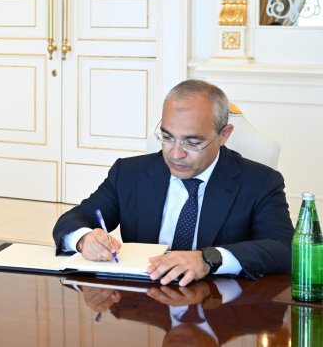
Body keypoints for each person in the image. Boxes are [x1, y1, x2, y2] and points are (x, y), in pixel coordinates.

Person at [52, 79, 293, 284]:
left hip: (218, 302)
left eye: (192, 143)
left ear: (224, 135)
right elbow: (73, 220)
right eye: (167, 137)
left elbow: (284, 248)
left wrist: (208, 259)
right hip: (144, 304)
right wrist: (83, 239)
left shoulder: (260, 182)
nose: (176, 154)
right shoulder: (129, 173)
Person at [73, 277, 289, 346]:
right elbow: (279, 270)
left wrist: (86, 289)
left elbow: (83, 280)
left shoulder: (124, 308)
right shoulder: (262, 319)